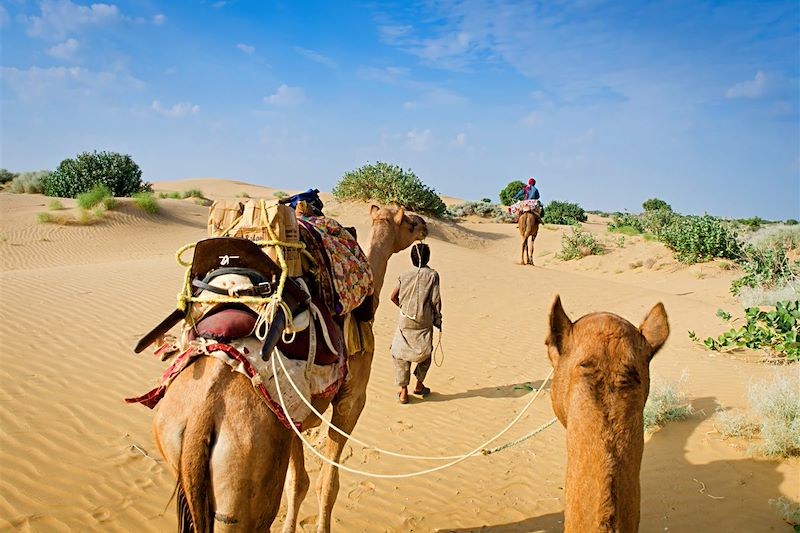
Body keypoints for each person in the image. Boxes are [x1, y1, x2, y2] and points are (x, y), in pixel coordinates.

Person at [389, 242, 442, 404]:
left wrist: (404, 309)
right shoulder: (432, 275)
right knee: (425, 354)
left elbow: (392, 297)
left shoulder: (404, 275)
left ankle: (403, 391)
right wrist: (438, 319)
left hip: (405, 321)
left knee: (400, 355)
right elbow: (435, 301)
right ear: (428, 258)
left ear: (412, 258)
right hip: (423, 322)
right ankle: (419, 385)